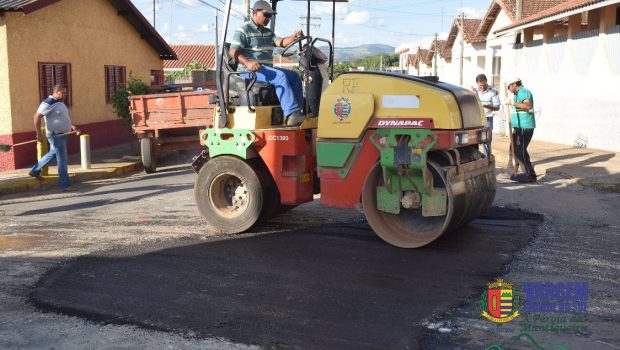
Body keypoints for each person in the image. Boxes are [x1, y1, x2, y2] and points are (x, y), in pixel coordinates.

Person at [230, 0, 305, 126]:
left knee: (294, 77)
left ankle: (297, 112)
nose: (268, 19)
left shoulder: (268, 32)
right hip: (249, 71)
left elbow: (280, 42)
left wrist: (293, 37)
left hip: (265, 70)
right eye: (266, 15)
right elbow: (233, 51)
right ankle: (291, 113)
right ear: (255, 13)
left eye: (270, 16)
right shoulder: (243, 30)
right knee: (279, 76)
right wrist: (248, 62)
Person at [29, 84, 80, 191]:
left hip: (62, 134)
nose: (65, 94)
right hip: (56, 135)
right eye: (63, 92)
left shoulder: (60, 103)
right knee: (62, 159)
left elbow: (62, 118)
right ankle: (65, 185)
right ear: (56, 92)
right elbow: (37, 116)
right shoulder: (48, 102)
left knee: (52, 154)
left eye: (65, 92)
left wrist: (72, 126)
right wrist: (38, 134)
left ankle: (35, 170)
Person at [505, 77, 536, 183]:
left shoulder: (524, 92)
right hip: (518, 127)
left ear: (514, 84)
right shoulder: (516, 94)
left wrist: (513, 103)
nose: (508, 89)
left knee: (520, 151)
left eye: (509, 86)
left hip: (524, 128)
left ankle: (530, 175)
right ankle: (512, 173)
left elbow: (527, 106)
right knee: (513, 150)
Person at [472, 74, 500, 157]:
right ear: (477, 83)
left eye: (484, 85)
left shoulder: (493, 91)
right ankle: (475, 157)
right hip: (476, 118)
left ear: (486, 82)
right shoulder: (474, 91)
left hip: (487, 118)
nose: (482, 87)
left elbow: (497, 107)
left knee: (486, 139)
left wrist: (486, 105)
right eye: (480, 86)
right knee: (474, 138)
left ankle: (487, 158)